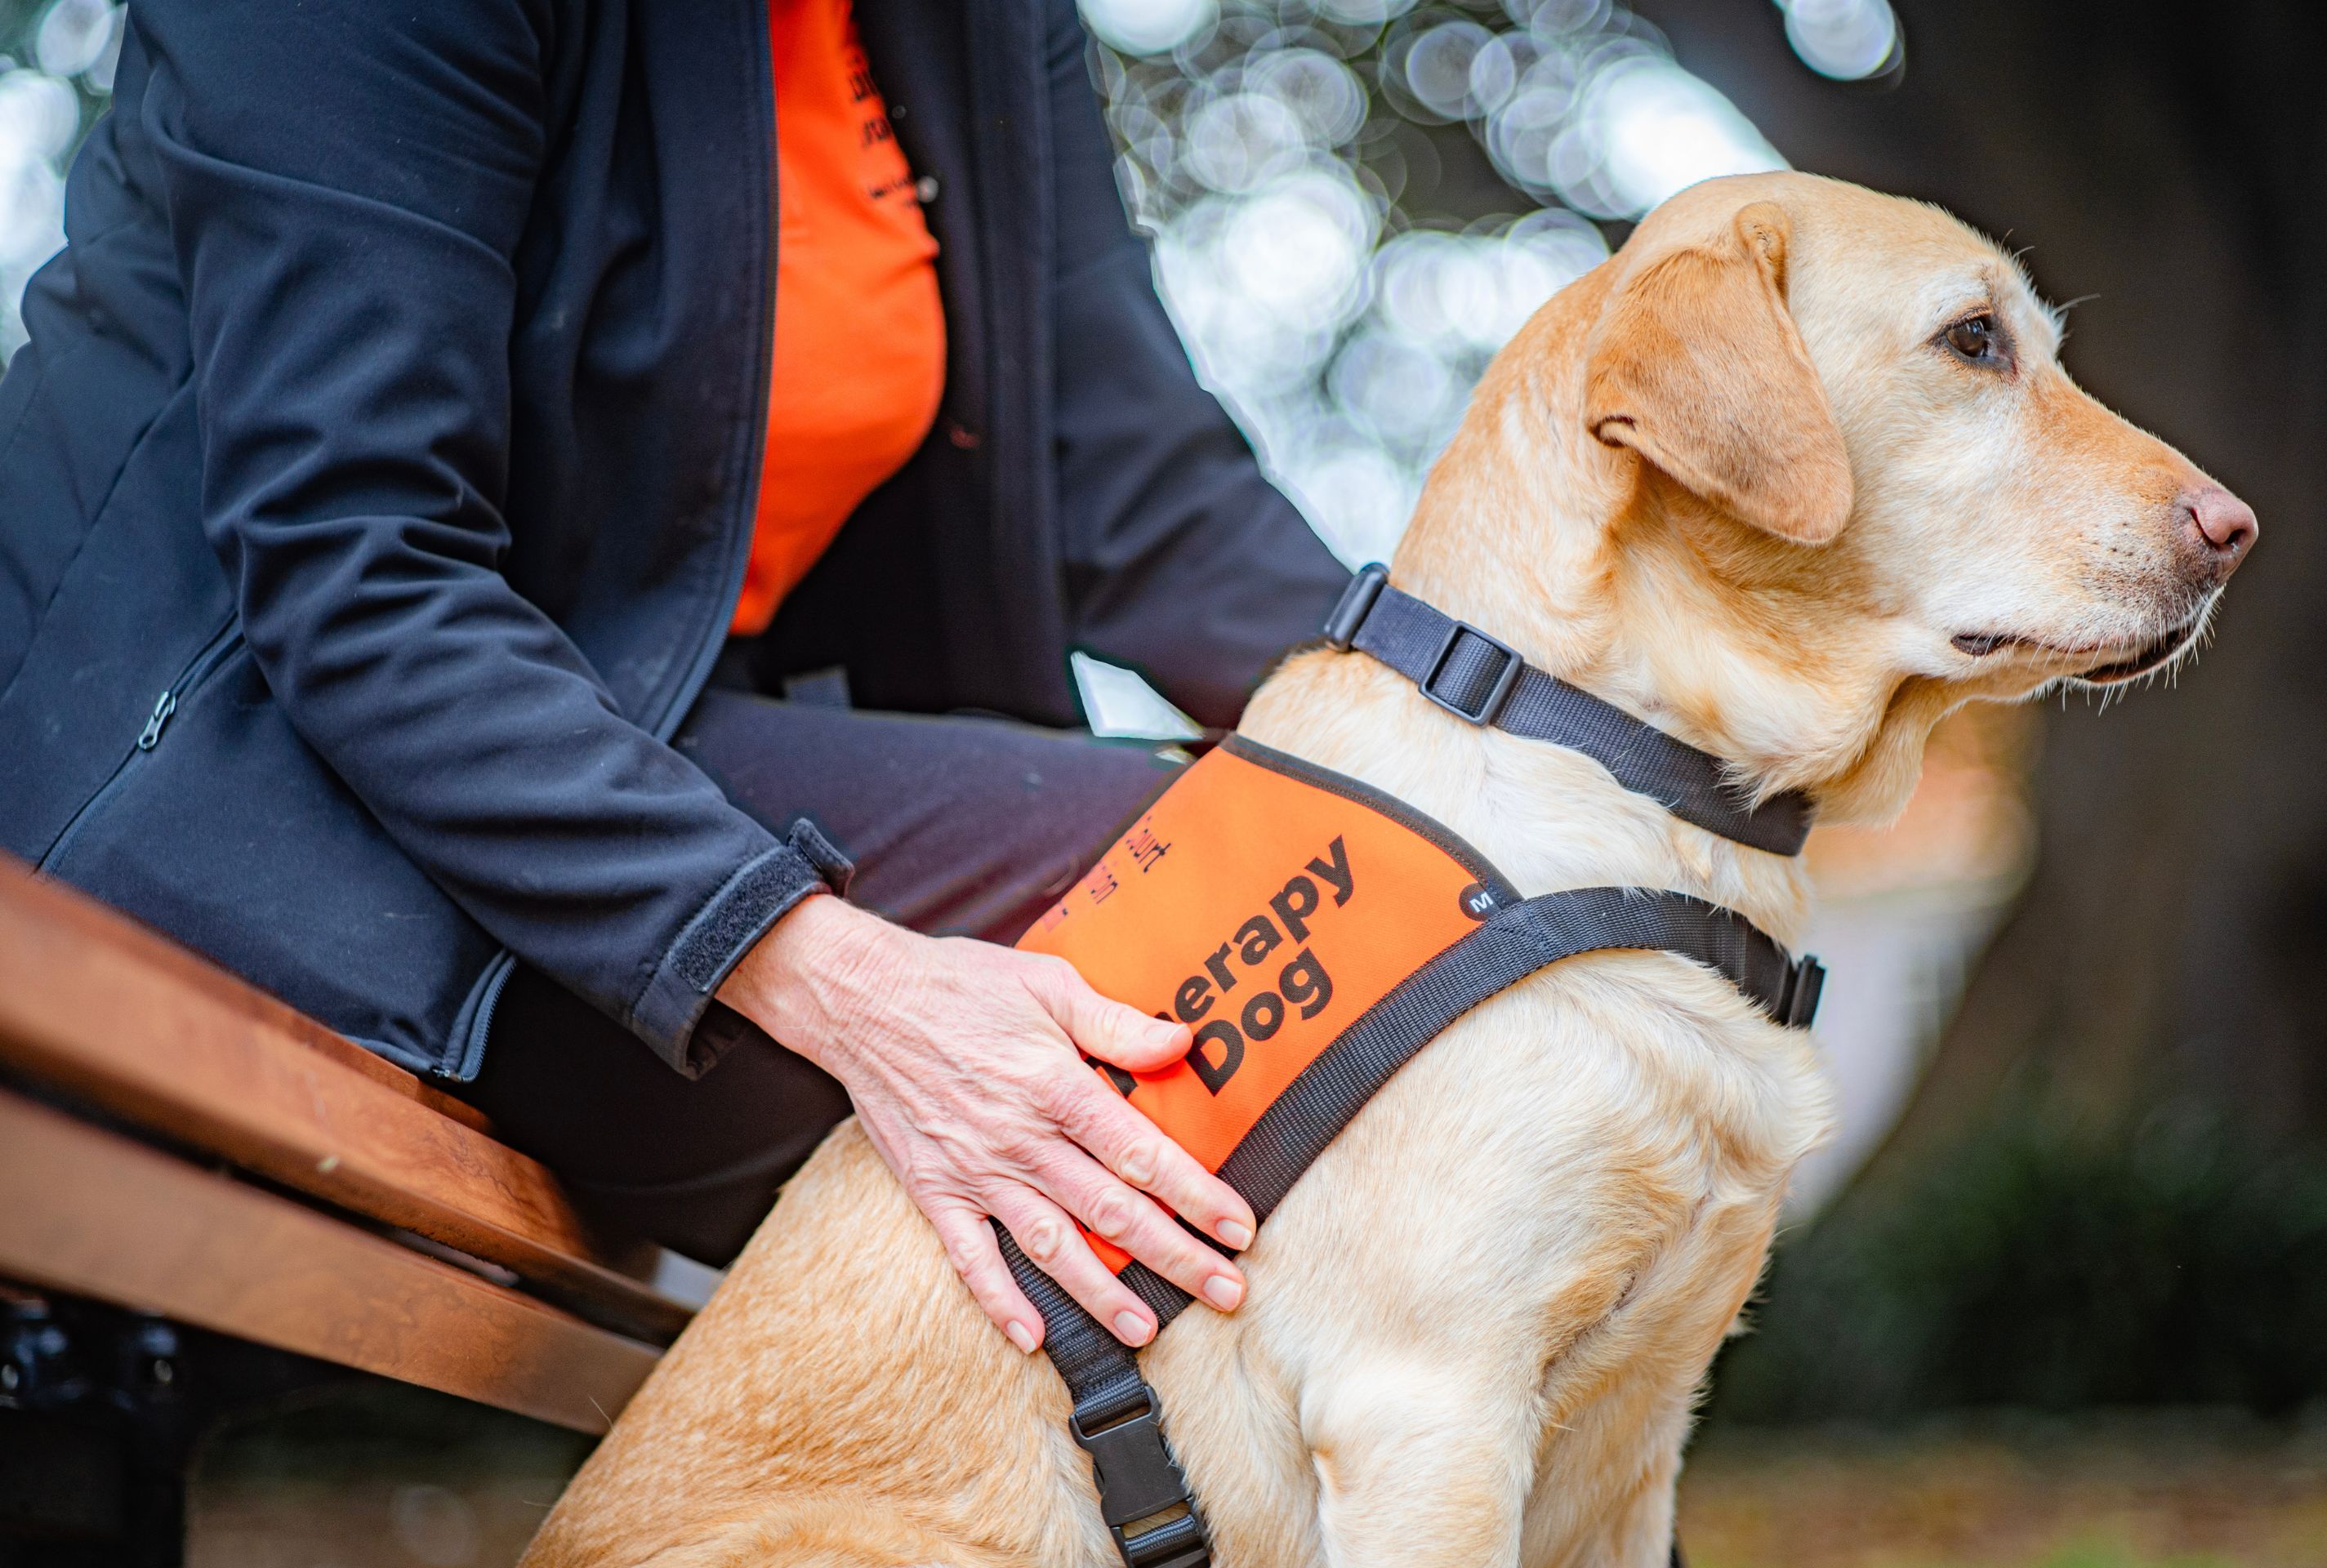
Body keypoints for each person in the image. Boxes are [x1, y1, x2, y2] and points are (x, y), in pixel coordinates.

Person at [0, 0, 1351, 1357]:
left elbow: (1132, 477)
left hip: (637, 737)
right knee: (1216, 959)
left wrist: (1494, 722)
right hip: (269, 776)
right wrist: (849, 984)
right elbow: (355, 559)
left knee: (1355, 867)